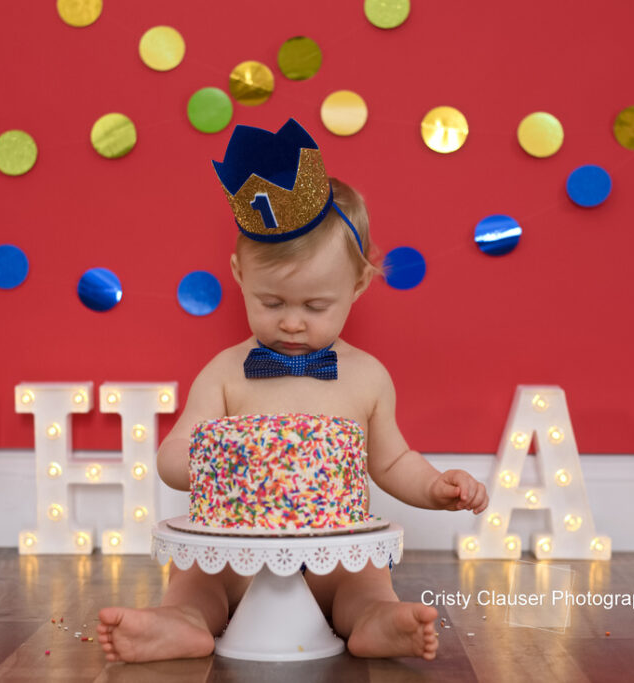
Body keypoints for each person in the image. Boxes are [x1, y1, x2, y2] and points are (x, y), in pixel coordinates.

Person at [98, 119, 488, 663]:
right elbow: (172, 461)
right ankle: (181, 622)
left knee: (365, 581)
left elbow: (392, 459)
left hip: (334, 551)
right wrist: (220, 453)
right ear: (238, 275)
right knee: (194, 579)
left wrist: (436, 487)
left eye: (314, 306)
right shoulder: (227, 372)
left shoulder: (367, 376)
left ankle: (377, 620)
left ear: (357, 285)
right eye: (272, 303)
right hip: (238, 552)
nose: (293, 324)